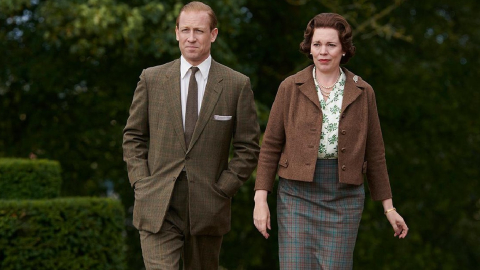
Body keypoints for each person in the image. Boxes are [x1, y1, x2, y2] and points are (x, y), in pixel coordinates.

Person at [253, 13, 408, 269]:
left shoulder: (363, 91)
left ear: (344, 50)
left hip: (343, 197)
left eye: (331, 45)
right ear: (309, 48)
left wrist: (389, 208)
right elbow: (270, 147)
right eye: (317, 45)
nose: (323, 51)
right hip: (296, 196)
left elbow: (375, 153)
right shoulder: (290, 87)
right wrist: (260, 201)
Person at [122, 2, 260, 269]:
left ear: (213, 34)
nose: (191, 37)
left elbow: (248, 148)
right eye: (185, 30)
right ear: (176, 32)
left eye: (199, 30)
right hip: (157, 202)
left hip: (208, 204)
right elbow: (133, 137)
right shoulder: (151, 79)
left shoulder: (236, 85)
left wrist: (223, 189)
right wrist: (141, 182)